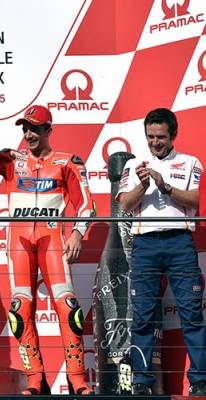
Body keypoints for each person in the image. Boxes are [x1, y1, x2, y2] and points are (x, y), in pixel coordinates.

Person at [0, 96, 94, 395]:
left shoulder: (67, 162)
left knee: (68, 309)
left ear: (48, 130)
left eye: (35, 129)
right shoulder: (12, 161)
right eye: (25, 129)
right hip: (19, 244)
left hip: (52, 242)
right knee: (20, 311)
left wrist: (77, 233)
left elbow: (87, 203)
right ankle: (35, 379)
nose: (29, 134)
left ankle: (77, 380)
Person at [117, 108, 206, 396]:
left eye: (161, 137)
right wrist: (144, 185)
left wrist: (164, 185)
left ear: (173, 135)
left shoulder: (190, 162)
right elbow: (125, 205)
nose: (155, 142)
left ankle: (200, 380)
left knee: (192, 314)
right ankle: (142, 382)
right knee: (142, 316)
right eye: (151, 137)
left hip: (180, 243)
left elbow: (195, 201)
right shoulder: (133, 165)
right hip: (145, 245)